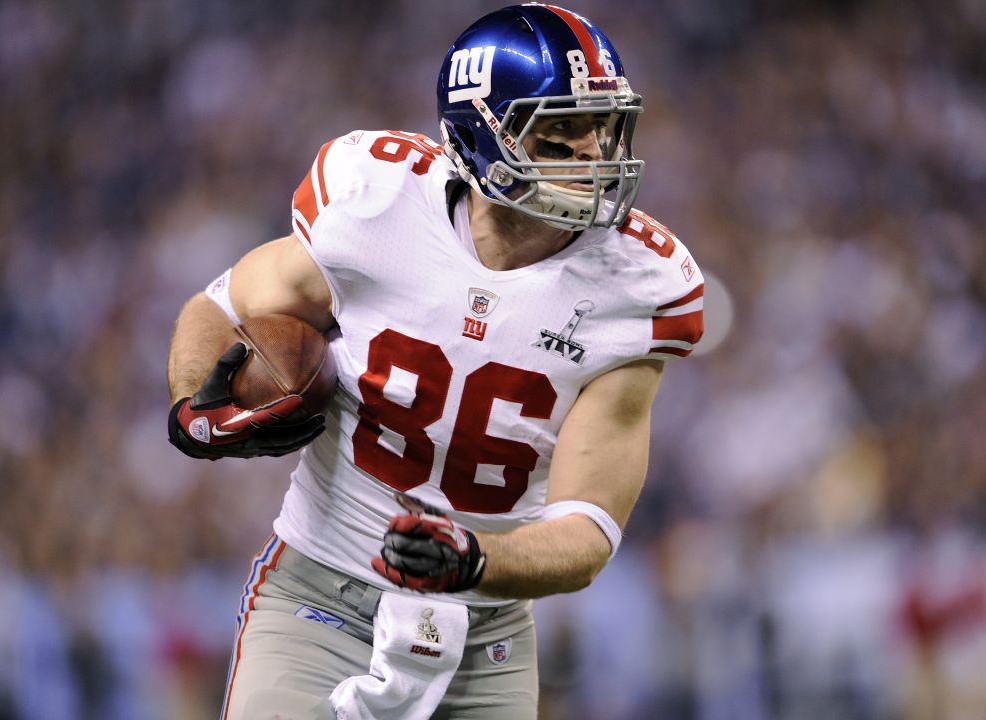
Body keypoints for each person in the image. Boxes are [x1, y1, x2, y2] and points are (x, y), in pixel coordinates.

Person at [166, 4, 704, 718]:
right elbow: (219, 306)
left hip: (486, 635)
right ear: (482, 135)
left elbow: (588, 529)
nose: (592, 153)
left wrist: (478, 558)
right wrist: (192, 407)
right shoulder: (376, 205)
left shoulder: (637, 288)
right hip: (320, 597)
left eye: (601, 126)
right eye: (560, 131)